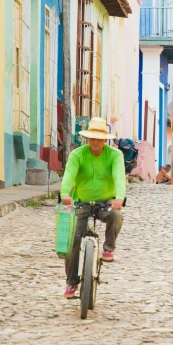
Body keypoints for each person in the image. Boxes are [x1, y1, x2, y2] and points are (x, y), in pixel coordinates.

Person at [60, 117, 126, 299]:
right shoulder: (78, 155)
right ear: (87, 139)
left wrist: (119, 198)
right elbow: (69, 175)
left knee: (116, 215)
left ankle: (108, 249)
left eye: (99, 139)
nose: (95, 142)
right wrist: (65, 193)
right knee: (73, 243)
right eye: (92, 138)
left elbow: (119, 176)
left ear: (105, 140)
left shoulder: (115, 155)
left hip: (106, 202)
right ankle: (71, 283)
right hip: (82, 202)